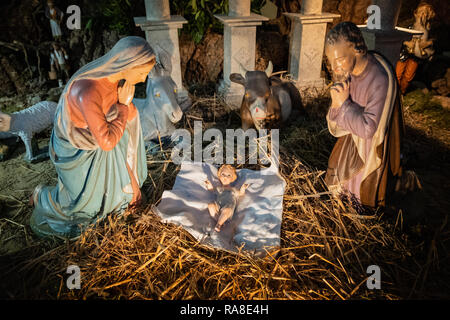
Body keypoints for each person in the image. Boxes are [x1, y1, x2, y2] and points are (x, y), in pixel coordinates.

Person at [29, 36, 156, 238]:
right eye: (141, 72)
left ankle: (125, 190)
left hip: (105, 142)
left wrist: (126, 110)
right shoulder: (87, 91)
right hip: (78, 151)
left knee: (130, 197)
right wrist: (123, 108)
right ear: (127, 65)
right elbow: (107, 142)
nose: (142, 79)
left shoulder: (115, 83)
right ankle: (42, 196)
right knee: (86, 210)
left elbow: (120, 127)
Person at [324, 22, 404, 209]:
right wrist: (337, 105)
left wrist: (343, 105)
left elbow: (369, 129)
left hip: (368, 150)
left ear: (357, 50)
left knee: (358, 193)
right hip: (350, 140)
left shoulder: (378, 79)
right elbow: (335, 117)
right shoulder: (347, 72)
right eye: (330, 60)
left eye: (340, 59)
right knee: (338, 183)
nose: (334, 67)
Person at [396, 2, 436, 94]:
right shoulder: (409, 25)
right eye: (421, 11)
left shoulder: (428, 28)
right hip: (403, 54)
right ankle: (395, 92)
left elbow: (434, 39)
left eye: (426, 12)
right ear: (415, 13)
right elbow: (399, 35)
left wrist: (429, 42)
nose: (423, 14)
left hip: (416, 57)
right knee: (398, 74)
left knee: (408, 76)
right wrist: (406, 43)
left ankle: (402, 92)